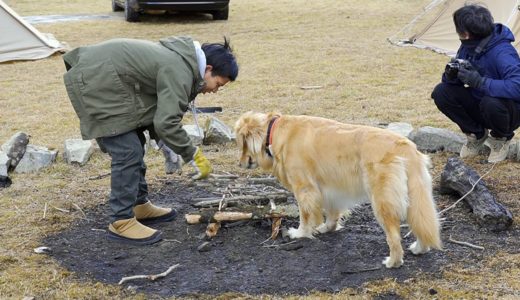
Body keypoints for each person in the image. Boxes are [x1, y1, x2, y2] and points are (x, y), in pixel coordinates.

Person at [62, 36, 239, 245]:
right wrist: (194, 155)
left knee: (134, 142)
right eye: (217, 84)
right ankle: (121, 221)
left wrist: (166, 142)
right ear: (208, 69)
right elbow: (166, 122)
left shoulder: (183, 64)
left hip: (112, 80)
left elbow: (158, 113)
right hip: (97, 79)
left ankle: (138, 204)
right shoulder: (180, 71)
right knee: (128, 150)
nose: (214, 91)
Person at [431, 4, 520, 163]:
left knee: (490, 101)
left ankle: (501, 138)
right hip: (481, 104)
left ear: (465, 34)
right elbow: (455, 84)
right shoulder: (468, 46)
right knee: (441, 92)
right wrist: (451, 76)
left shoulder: (503, 52)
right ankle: (476, 135)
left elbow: (517, 86)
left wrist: (480, 82)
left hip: (506, 111)